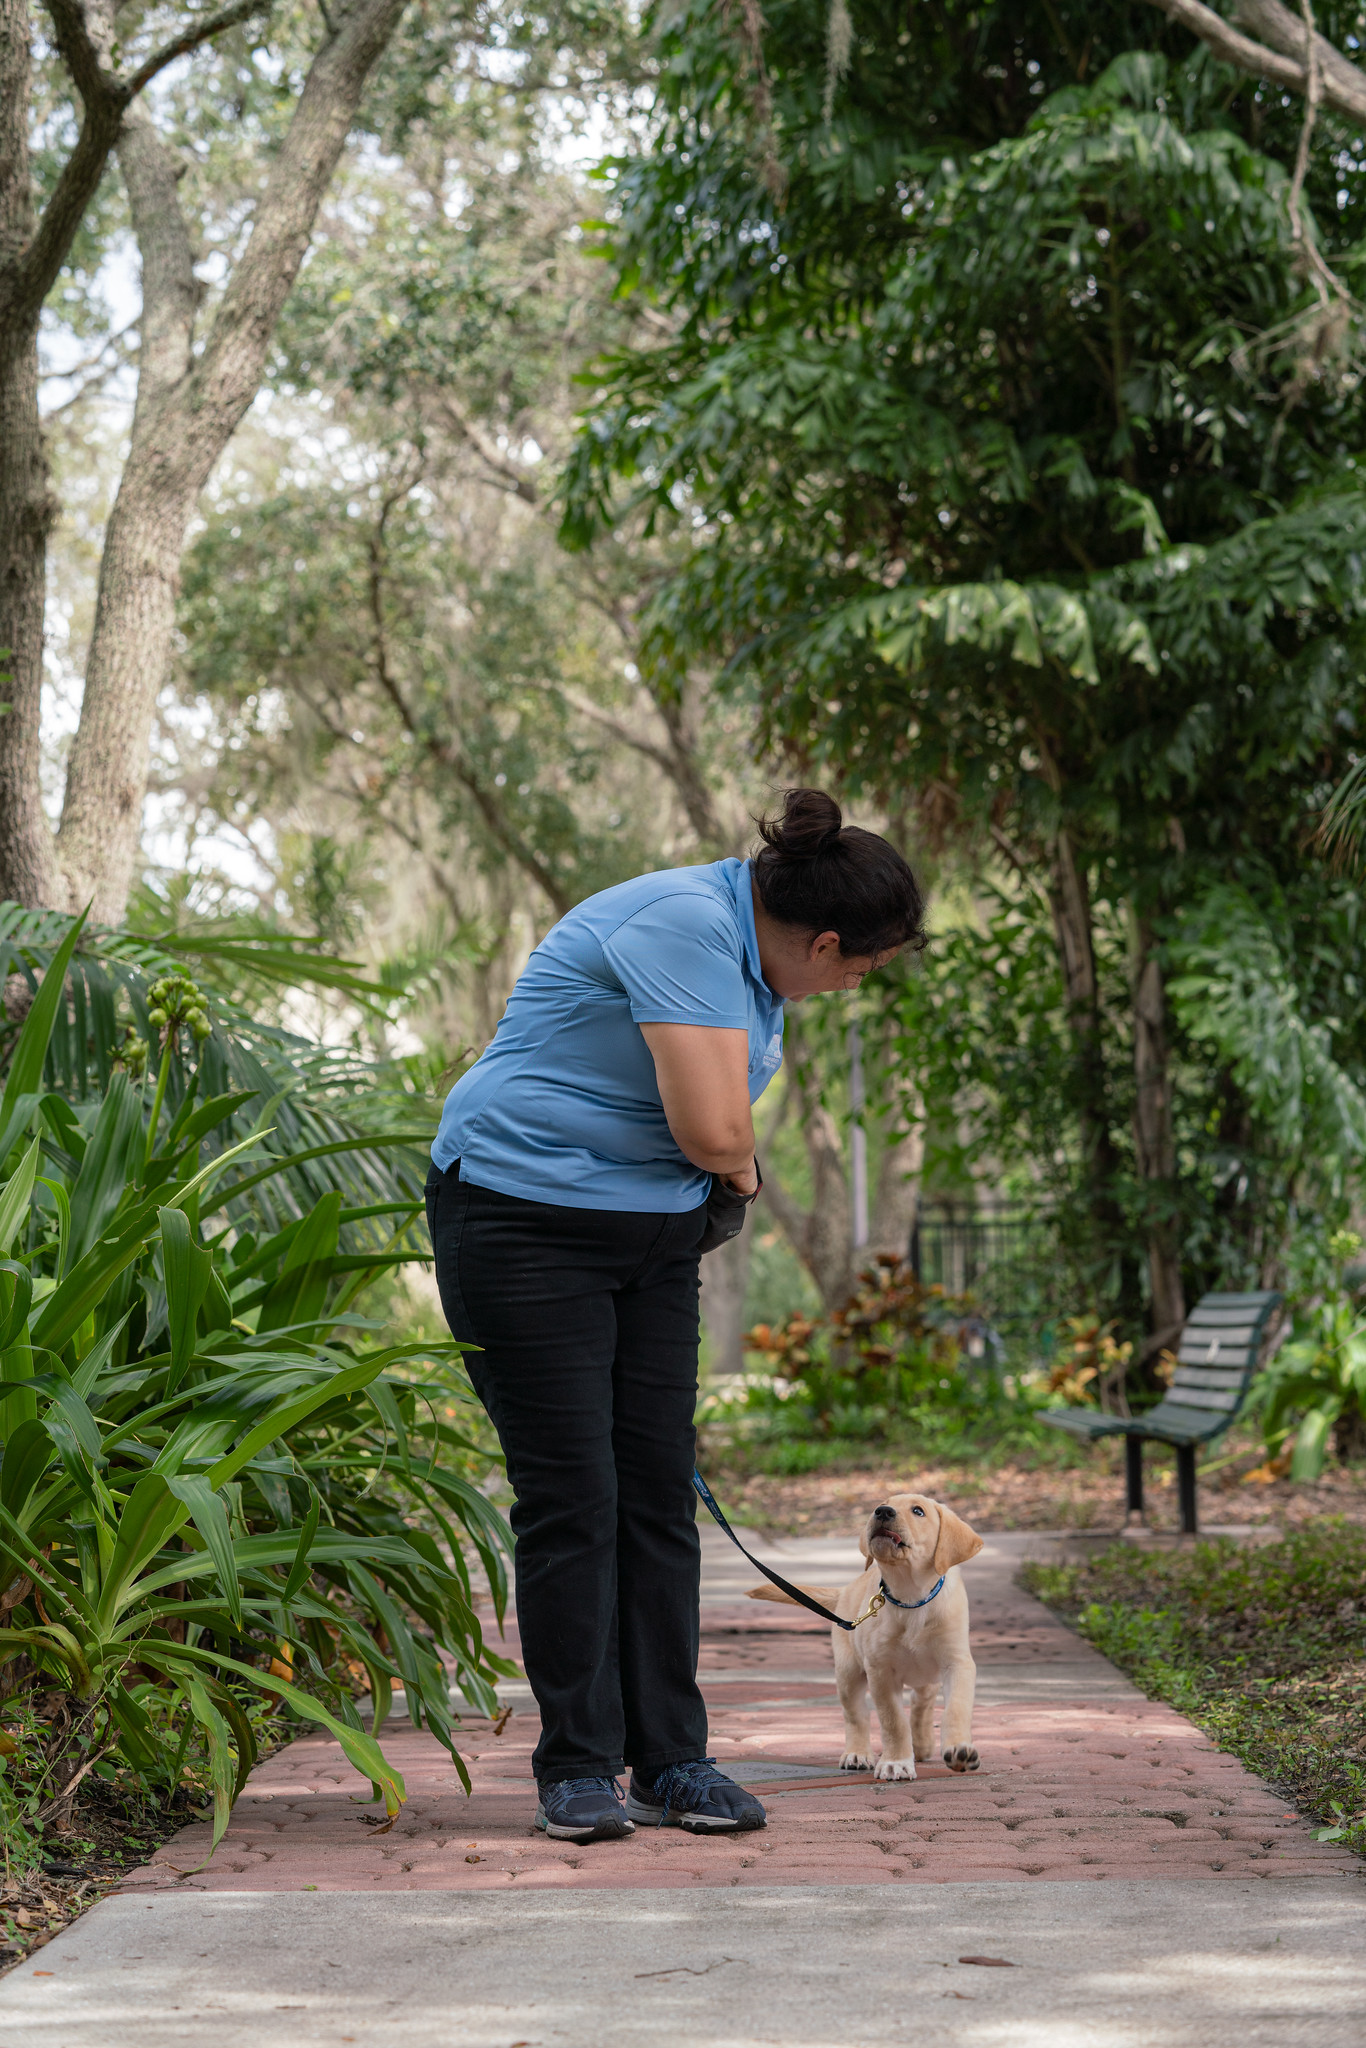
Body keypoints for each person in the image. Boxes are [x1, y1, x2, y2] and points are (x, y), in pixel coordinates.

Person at [424, 788, 927, 1844]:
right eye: (855, 969)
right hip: (522, 1217)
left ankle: (671, 1759)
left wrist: (724, 1168)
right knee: (575, 1495)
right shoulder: (685, 927)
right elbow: (712, 1129)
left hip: (648, 1238)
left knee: (655, 1494)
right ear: (825, 940)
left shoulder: (754, 959)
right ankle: (576, 1766)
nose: (845, 988)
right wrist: (735, 1163)